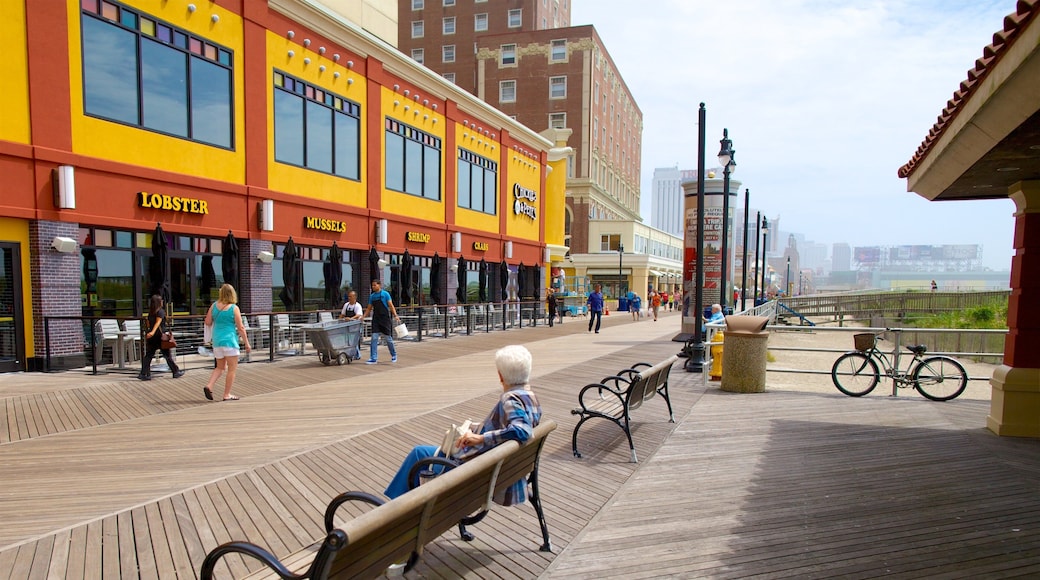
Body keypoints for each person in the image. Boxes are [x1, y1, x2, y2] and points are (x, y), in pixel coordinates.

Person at [384, 345, 542, 502]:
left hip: (475, 474)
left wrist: (480, 438)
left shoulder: (510, 398)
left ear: (500, 376)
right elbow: (518, 427)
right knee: (425, 454)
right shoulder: (530, 397)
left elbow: (522, 430)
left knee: (419, 454)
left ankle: (392, 512)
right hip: (501, 472)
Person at [202, 284, 251, 401]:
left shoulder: (214, 306)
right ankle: (226, 394)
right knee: (232, 369)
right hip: (230, 342)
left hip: (217, 341)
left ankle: (209, 385)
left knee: (220, 367)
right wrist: (247, 343)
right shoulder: (234, 308)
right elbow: (241, 328)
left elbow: (207, 321)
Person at [138, 294, 184, 381]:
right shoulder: (160, 311)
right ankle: (175, 371)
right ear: (159, 302)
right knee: (167, 355)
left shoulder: (151, 312)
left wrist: (150, 332)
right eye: (161, 300)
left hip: (152, 338)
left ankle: (144, 373)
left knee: (149, 355)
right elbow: (158, 323)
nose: (163, 302)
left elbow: (148, 323)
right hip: (160, 336)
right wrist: (153, 332)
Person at [363, 279, 400, 364]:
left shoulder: (385, 294)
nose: (373, 287)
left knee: (388, 339)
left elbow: (391, 306)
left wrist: (395, 315)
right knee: (374, 338)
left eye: (374, 285)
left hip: (385, 319)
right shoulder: (372, 296)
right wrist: (363, 316)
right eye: (372, 285)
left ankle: (394, 355)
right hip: (376, 319)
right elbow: (369, 308)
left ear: (379, 285)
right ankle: (373, 358)